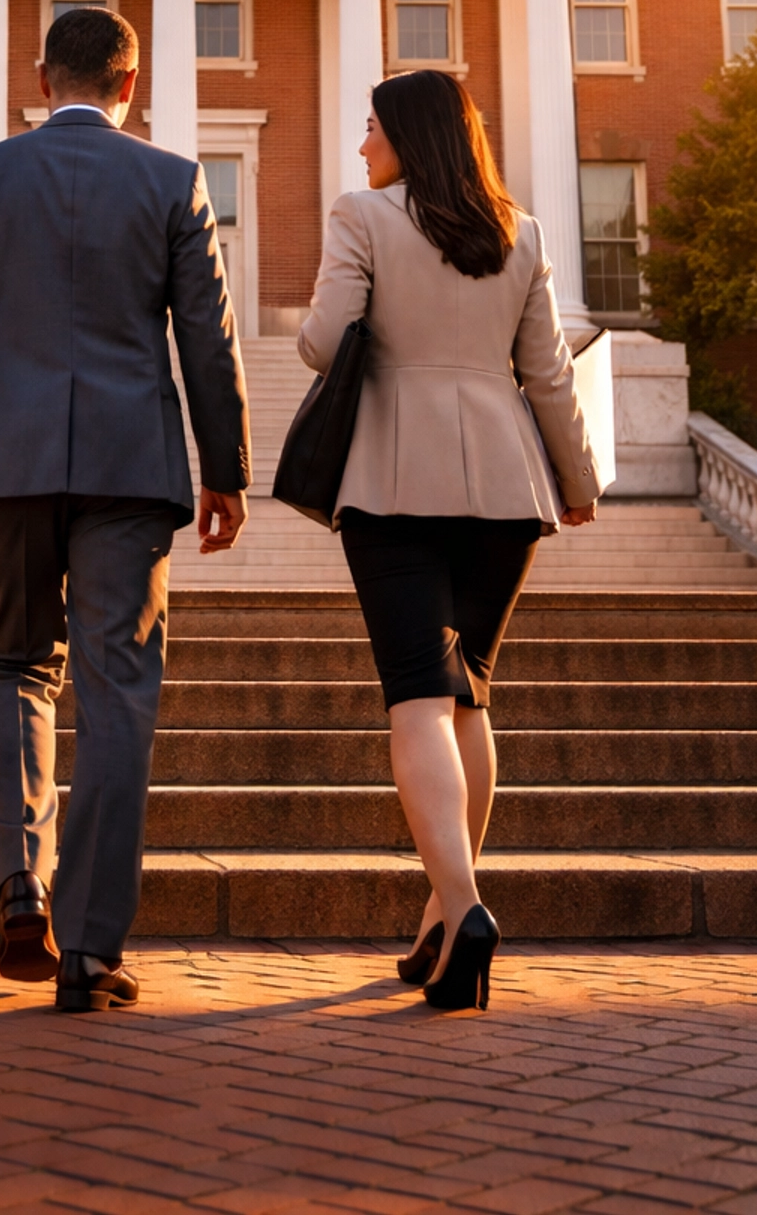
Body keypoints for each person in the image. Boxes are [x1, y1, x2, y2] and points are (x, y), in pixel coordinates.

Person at [0, 6, 251, 1012]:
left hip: (5, 457)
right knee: (119, 689)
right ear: (129, 84)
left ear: (42, 78)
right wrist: (225, 466)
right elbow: (208, 338)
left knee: (11, 664)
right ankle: (92, 948)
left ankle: (19, 885)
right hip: (132, 466)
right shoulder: (174, 178)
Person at [298, 69, 601, 1013]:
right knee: (468, 694)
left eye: (372, 130)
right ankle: (439, 918)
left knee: (418, 699)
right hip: (508, 484)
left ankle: (465, 907)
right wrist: (578, 482)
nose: (361, 148)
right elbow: (548, 374)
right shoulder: (524, 232)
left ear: (409, 138)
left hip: (393, 478)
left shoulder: (363, 216)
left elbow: (320, 340)